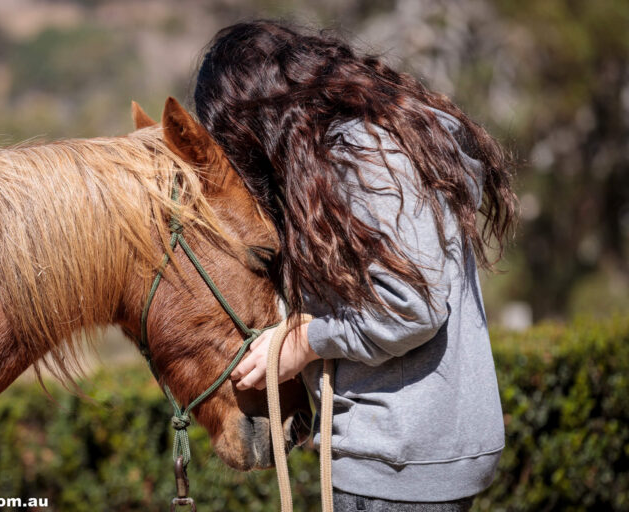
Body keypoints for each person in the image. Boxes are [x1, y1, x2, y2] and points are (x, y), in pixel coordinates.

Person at [194, 20, 517, 511]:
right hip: (407, 457)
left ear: (256, 121)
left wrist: (304, 344)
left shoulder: (364, 155)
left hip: (394, 465)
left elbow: (412, 309)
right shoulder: (378, 145)